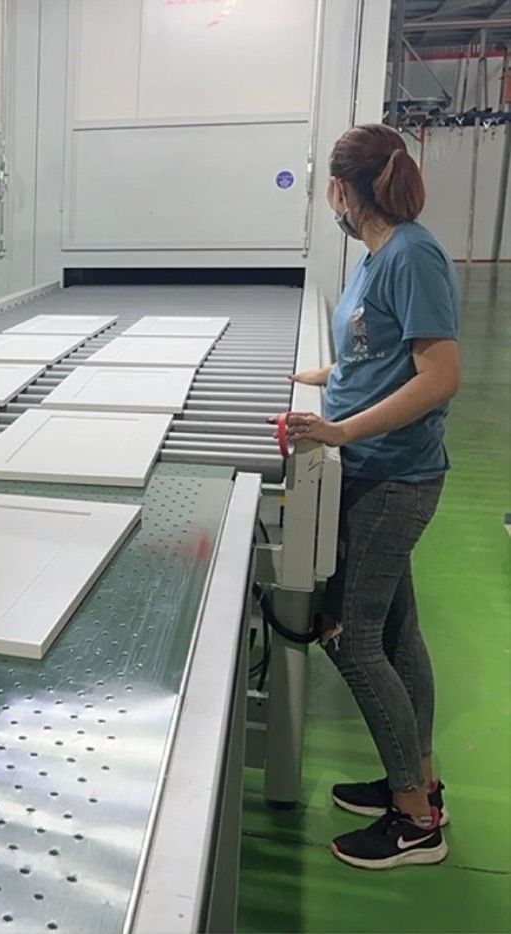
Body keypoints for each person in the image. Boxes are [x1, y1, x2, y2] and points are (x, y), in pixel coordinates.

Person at [281, 124, 461, 870]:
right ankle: (415, 782)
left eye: (330, 187)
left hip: (395, 477)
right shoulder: (374, 258)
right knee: (396, 636)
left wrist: (341, 430)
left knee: (353, 640)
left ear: (344, 191)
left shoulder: (412, 255)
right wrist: (310, 385)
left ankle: (415, 822)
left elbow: (439, 376)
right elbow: (372, 356)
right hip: (374, 470)